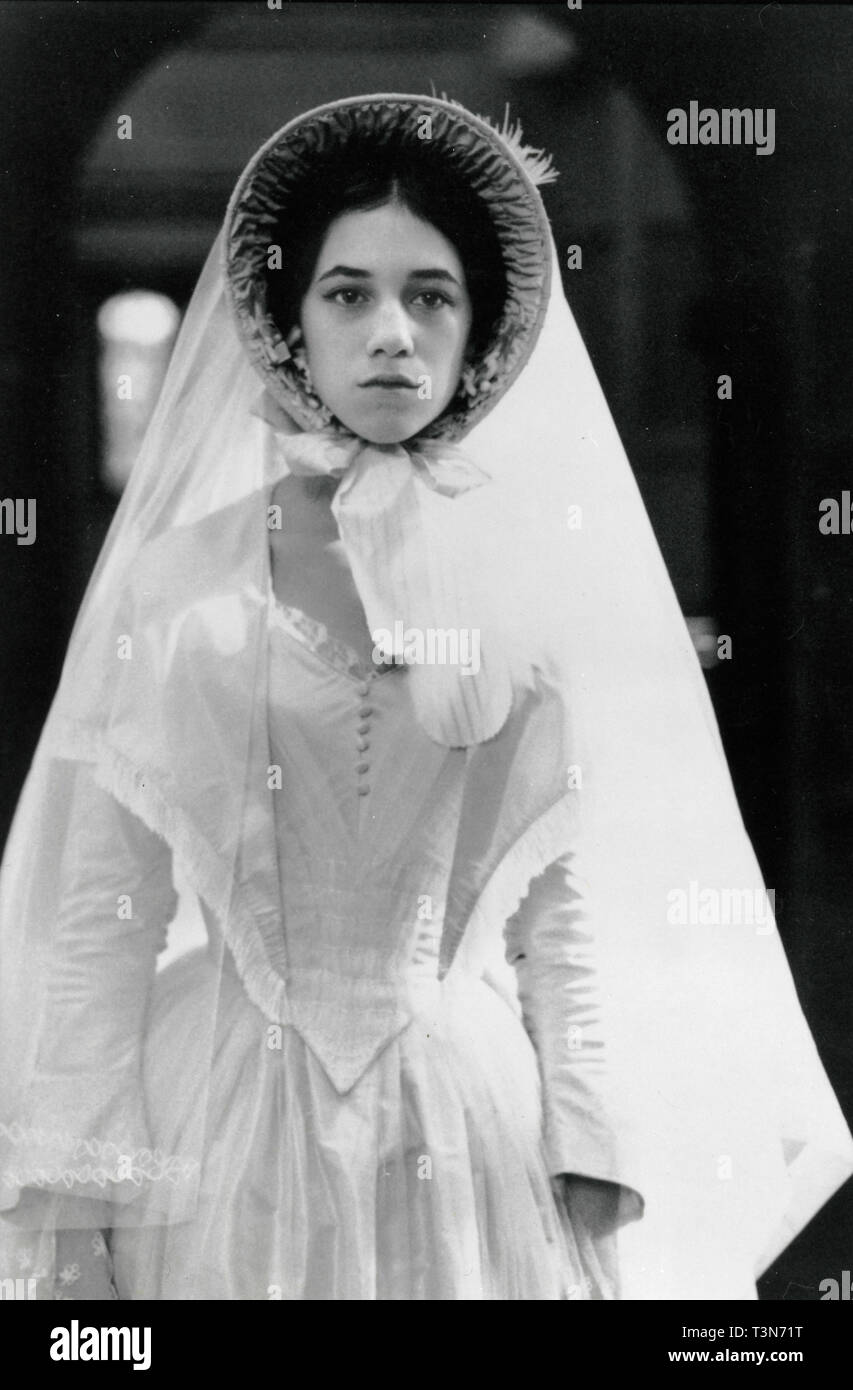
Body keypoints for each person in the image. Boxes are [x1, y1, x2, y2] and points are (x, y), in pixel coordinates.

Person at [0, 93, 851, 1301]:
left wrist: (587, 1143)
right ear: (289, 323)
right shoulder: (179, 591)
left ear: (477, 326)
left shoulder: (534, 590)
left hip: (461, 1127)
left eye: (430, 295)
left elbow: (559, 912)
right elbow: (99, 918)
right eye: (348, 294)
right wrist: (78, 1211)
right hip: (222, 1119)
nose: (391, 332)